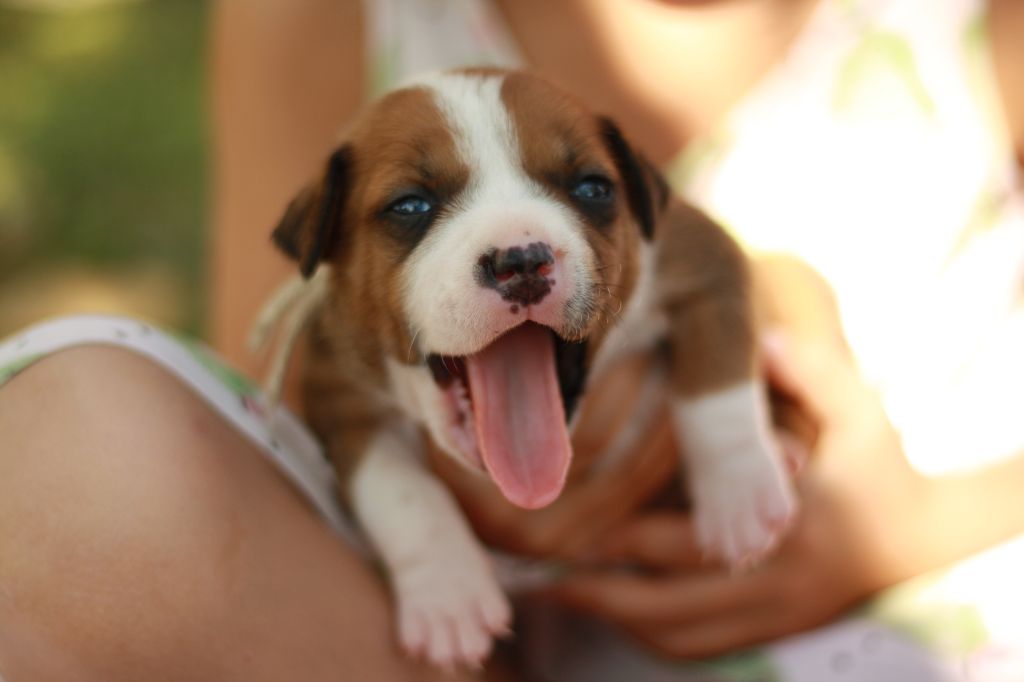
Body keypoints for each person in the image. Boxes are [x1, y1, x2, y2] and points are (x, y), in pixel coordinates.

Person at [1, 0, 1023, 679]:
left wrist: (909, 529)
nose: (522, 251)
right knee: (79, 451)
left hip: (919, 617)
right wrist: (431, 548)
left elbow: (719, 273)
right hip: (486, 649)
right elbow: (274, 438)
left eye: (586, 192)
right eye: (415, 209)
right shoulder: (325, 19)